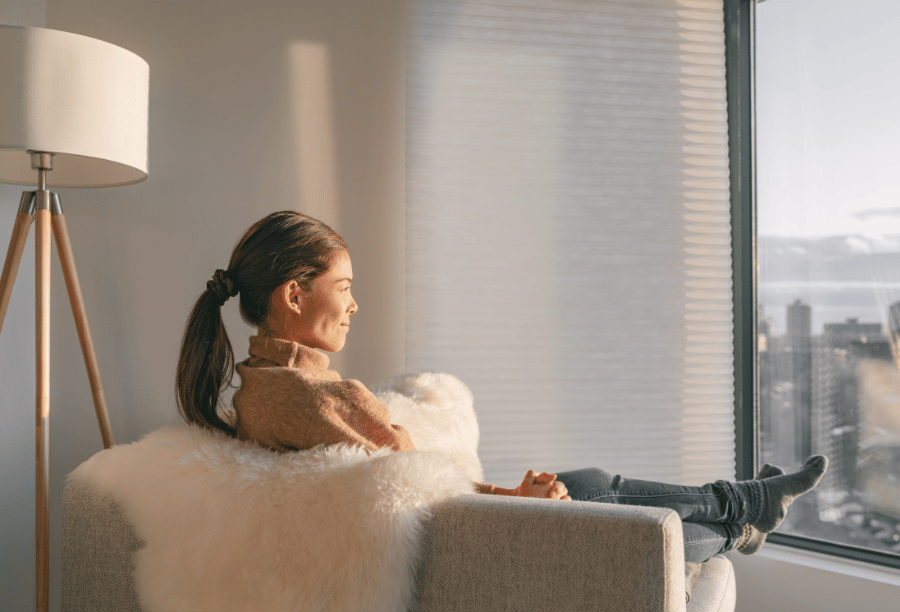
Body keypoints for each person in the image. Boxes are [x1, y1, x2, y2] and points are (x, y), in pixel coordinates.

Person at [176, 211, 828, 563]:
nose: (354, 305)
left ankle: (744, 503)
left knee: (594, 479)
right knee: (641, 532)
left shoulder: (255, 388)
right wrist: (517, 498)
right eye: (343, 288)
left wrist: (518, 491)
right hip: (460, 543)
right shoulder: (321, 397)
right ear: (294, 295)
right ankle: (744, 517)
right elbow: (420, 490)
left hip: (444, 525)